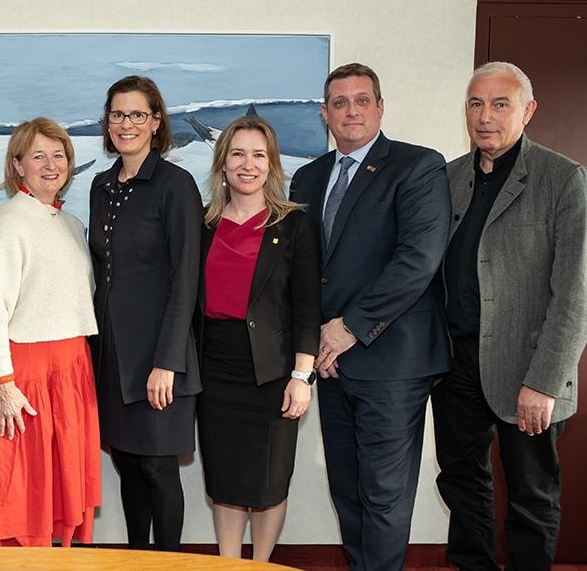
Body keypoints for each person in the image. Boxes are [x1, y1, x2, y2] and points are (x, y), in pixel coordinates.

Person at [289, 63, 451, 571]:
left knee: (383, 493)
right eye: (339, 102)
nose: (351, 111)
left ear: (380, 107)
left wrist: (349, 328)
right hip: (331, 362)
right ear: (325, 113)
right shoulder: (309, 177)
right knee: (347, 488)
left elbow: (417, 261)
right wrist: (318, 340)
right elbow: (303, 267)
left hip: (392, 362)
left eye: (362, 100)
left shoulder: (419, 166)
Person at [433, 62, 587, 571]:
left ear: (528, 111)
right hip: (455, 365)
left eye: (500, 104)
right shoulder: (449, 177)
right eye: (475, 103)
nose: (485, 116)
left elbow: (575, 294)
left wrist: (545, 382)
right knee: (461, 484)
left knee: (531, 495)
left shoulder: (563, 179)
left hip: (528, 368)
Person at [0, 117, 100, 547]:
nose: (50, 164)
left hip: (71, 372)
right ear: (18, 165)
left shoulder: (71, 225)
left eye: (58, 155)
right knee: (20, 495)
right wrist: (4, 383)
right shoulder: (8, 221)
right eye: (38, 155)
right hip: (25, 379)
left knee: (60, 493)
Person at [195, 115, 321, 561]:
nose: (248, 164)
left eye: (258, 154)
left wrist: (302, 377)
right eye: (238, 153)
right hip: (215, 369)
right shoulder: (203, 223)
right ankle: (230, 566)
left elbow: (308, 306)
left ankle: (261, 566)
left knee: (269, 482)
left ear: (271, 164)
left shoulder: (294, 225)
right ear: (223, 162)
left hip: (273, 372)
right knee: (226, 482)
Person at [89, 76, 203, 551]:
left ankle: (169, 563)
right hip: (113, 357)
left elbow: (186, 279)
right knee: (129, 465)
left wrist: (167, 362)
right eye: (118, 114)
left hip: (160, 358)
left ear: (157, 122)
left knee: (157, 467)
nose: (126, 123)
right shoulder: (100, 186)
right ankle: (137, 560)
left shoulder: (176, 185)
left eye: (138, 114)